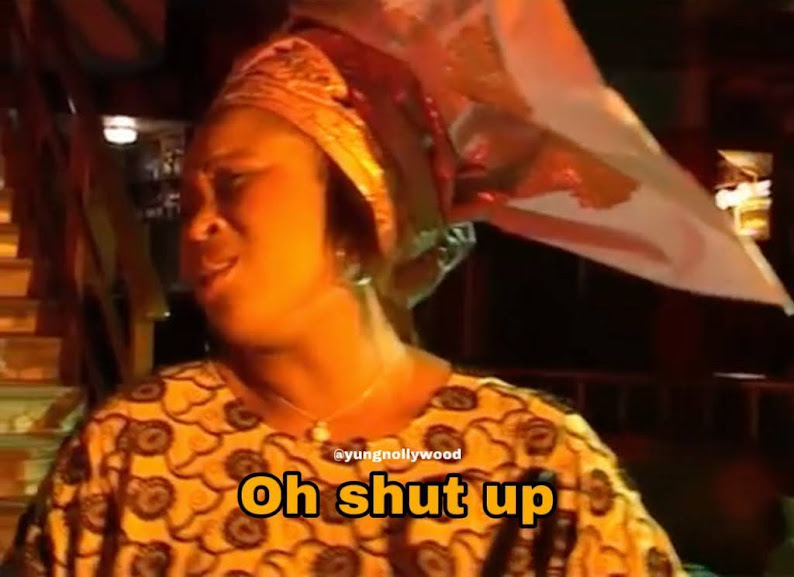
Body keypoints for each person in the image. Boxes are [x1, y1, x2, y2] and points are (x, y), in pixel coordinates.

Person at [3, 22, 686, 577]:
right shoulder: (133, 448)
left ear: (362, 218)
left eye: (234, 183)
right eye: (190, 202)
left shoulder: (532, 461)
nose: (199, 223)